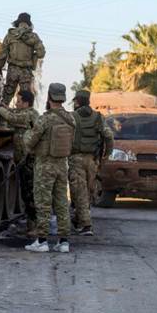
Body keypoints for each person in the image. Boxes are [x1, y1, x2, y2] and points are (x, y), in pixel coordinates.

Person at [23, 83, 76, 253]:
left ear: (49, 97)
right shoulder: (71, 119)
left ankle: (42, 241)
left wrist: (26, 134)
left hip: (45, 165)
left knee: (43, 203)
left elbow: (29, 141)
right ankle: (64, 241)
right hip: (62, 165)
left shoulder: (45, 119)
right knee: (61, 203)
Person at [68, 90, 114, 236]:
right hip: (93, 160)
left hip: (76, 159)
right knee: (87, 191)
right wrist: (107, 154)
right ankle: (79, 220)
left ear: (77, 102)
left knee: (79, 192)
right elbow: (109, 136)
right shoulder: (98, 117)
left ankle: (86, 225)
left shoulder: (72, 117)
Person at [0, 90, 40, 236]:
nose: (17, 103)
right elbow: (15, 113)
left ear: (27, 103)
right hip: (23, 161)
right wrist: (6, 107)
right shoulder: (26, 113)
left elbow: (12, 118)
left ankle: (37, 226)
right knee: (26, 194)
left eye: (19, 101)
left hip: (29, 162)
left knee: (31, 194)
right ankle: (31, 225)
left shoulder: (30, 114)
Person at [0, 13, 46, 106]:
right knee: (26, 99)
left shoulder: (10, 35)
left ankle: (2, 118)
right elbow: (41, 53)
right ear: (29, 23)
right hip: (26, 71)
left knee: (6, 98)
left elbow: (2, 55)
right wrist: (33, 57)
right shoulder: (33, 37)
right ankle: (25, 119)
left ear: (17, 22)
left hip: (12, 70)